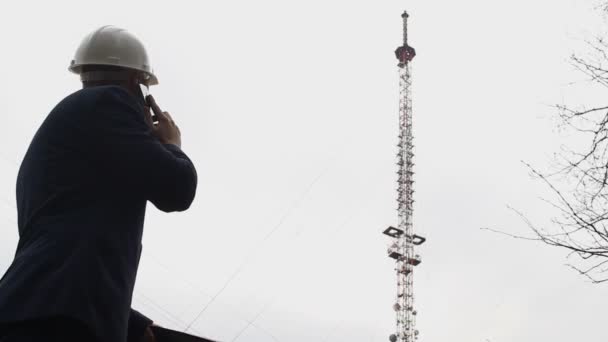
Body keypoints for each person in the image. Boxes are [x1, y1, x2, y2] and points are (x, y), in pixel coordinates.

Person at [0, 26, 198, 342]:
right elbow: (178, 188)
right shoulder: (110, 102)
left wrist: (133, 325)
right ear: (138, 84)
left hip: (34, 310)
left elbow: (74, 242)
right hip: (60, 319)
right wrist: (172, 144)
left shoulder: (79, 122)